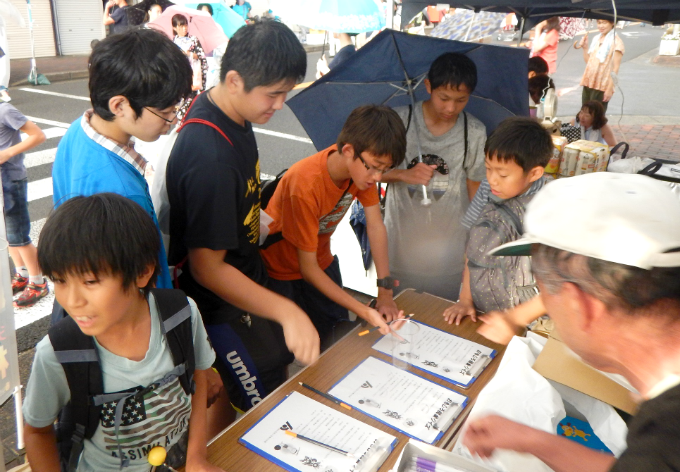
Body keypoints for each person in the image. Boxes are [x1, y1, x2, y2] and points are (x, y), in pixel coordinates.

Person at [463, 172, 680, 472]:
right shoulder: (661, 438)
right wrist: (531, 440)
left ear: (580, 307)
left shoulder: (666, 436)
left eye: (545, 296)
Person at [166, 20, 320, 414]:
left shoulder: (231, 113)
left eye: (286, 92)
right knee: (258, 411)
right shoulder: (210, 156)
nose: (280, 105)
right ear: (234, 80)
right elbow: (206, 268)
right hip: (222, 308)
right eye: (273, 94)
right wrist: (288, 312)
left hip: (248, 279)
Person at [23, 193, 220, 472]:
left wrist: (197, 457)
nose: (72, 300)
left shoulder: (182, 314)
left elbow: (199, 378)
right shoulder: (57, 353)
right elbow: (37, 431)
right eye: (60, 280)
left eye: (90, 281)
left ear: (141, 272)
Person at [52, 28, 192, 291]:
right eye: (166, 111)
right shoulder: (124, 192)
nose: (173, 120)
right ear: (119, 106)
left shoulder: (77, 129)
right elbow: (143, 285)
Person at [261, 105, 405, 344]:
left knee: (338, 339)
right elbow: (307, 269)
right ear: (348, 150)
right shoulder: (305, 184)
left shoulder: (360, 173)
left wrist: (385, 292)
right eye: (375, 167)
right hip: (283, 274)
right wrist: (363, 309)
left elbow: (376, 227)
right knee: (294, 347)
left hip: (322, 261)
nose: (378, 177)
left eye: (385, 170)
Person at [382, 52, 487, 301]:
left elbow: (476, 189)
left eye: (461, 100)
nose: (451, 108)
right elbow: (368, 172)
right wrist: (402, 174)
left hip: (448, 253)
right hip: (400, 248)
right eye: (444, 98)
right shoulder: (399, 121)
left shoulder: (473, 132)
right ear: (428, 86)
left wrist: (475, 241)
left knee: (441, 318)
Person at [443, 117, 553, 324]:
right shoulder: (488, 188)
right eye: (488, 168)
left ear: (535, 173)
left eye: (502, 174)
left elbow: (561, 283)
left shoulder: (551, 204)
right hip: (484, 311)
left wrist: (515, 320)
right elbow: (473, 245)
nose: (492, 179)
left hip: (530, 321)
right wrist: (465, 299)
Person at [0, 104, 47, 307]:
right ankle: (22, 274)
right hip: (1, 182)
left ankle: (38, 283)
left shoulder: (5, 110)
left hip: (11, 179)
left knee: (19, 235)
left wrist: (7, 153)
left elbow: (38, 135)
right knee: (7, 235)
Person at [575, 19, 624, 112]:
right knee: (585, 113)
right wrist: (585, 48)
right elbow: (589, 62)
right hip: (589, 82)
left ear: (612, 23)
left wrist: (609, 89)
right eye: (599, 23)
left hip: (602, 85)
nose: (601, 26)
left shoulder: (617, 43)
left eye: (604, 22)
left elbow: (615, 68)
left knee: (596, 116)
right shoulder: (597, 39)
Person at [172, 14, 208, 120]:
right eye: (180, 26)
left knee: (189, 100)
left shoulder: (193, 40)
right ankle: (182, 122)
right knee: (180, 101)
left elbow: (201, 57)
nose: (184, 29)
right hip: (179, 76)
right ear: (174, 28)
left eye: (185, 26)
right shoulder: (173, 42)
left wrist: (189, 54)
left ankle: (184, 121)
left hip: (192, 76)